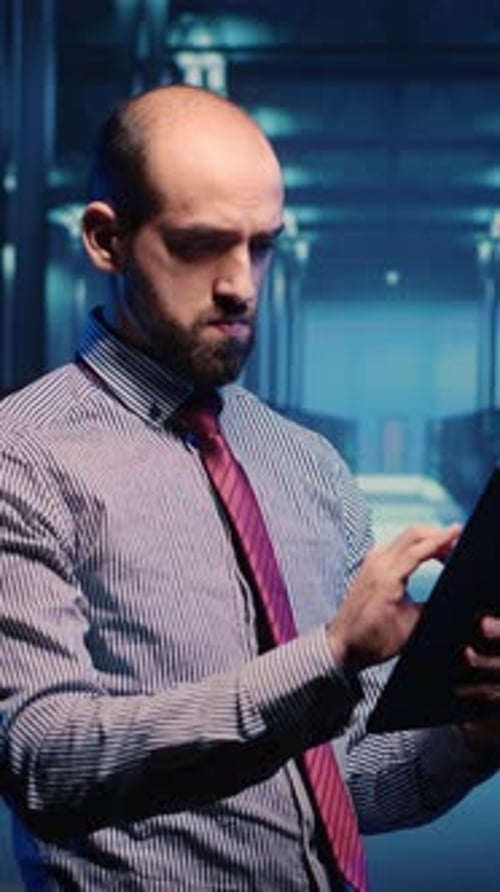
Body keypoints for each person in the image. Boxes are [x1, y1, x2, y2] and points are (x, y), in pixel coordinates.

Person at [0, 84, 499, 892]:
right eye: (200, 246)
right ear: (105, 239)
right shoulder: (20, 459)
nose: (241, 285)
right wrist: (330, 656)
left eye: (261, 246)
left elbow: (352, 781)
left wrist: (473, 737)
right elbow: (45, 765)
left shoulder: (302, 462)